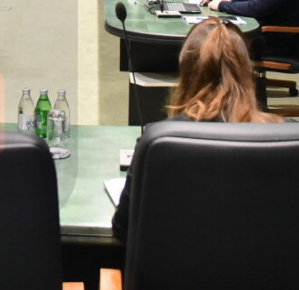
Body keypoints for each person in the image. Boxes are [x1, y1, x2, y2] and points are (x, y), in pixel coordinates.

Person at [111, 17, 280, 243]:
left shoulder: (159, 142)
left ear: (185, 72)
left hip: (173, 266)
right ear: (246, 70)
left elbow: (123, 230)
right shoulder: (289, 140)